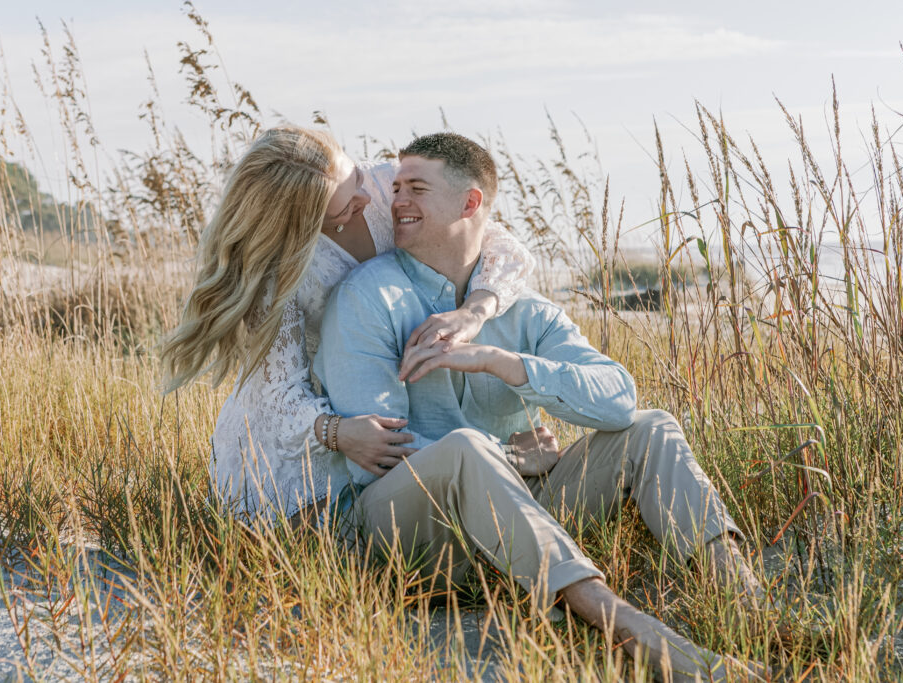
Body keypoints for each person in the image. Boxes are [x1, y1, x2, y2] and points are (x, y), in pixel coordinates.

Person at [314, 133, 765, 681]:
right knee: (468, 447)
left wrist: (501, 362)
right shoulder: (367, 296)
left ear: (470, 203)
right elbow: (381, 449)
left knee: (651, 428)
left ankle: (750, 607)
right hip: (410, 536)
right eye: (396, 187)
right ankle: (625, 626)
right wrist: (504, 454)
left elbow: (618, 396)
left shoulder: (524, 311)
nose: (396, 201)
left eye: (415, 188)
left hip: (522, 524)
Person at [159, 125, 534, 519]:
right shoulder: (274, 272)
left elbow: (497, 242)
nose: (365, 196)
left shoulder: (387, 183)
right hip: (314, 424)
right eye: (344, 207)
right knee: (336, 539)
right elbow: (278, 399)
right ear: (304, 221)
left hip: (392, 383)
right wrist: (338, 433)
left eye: (354, 176)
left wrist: (473, 311)